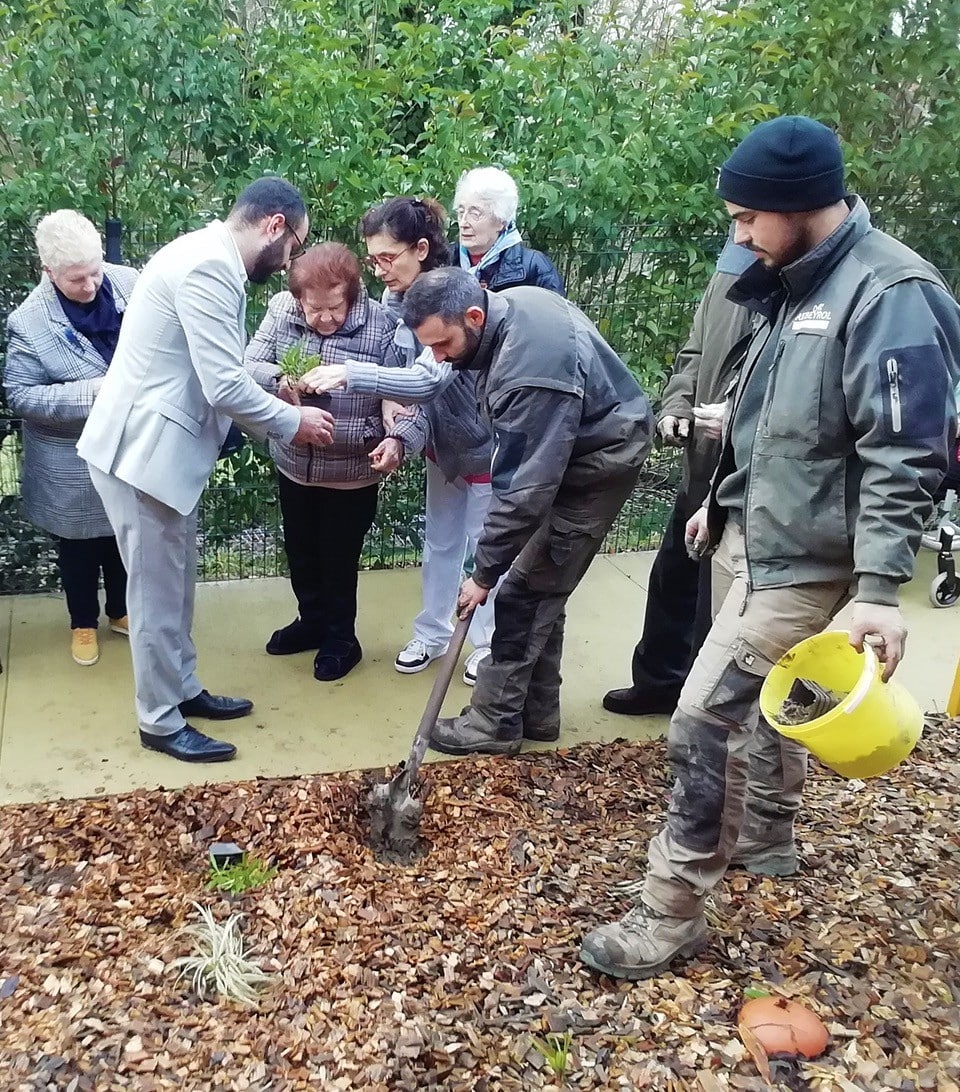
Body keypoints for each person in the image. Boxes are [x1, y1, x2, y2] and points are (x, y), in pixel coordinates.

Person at [579, 116, 960, 981]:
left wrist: (877, 587)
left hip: (816, 562)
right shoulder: (792, 282)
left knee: (703, 717)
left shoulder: (888, 292)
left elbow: (907, 452)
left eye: (749, 216)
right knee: (765, 703)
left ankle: (671, 910)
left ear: (799, 204)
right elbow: (763, 414)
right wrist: (719, 501)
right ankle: (766, 836)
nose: (739, 233)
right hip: (764, 534)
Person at [77, 178, 335, 763]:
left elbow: (220, 366)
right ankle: (159, 721)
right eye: (294, 243)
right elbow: (222, 386)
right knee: (154, 595)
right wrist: (294, 424)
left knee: (176, 585)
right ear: (274, 225)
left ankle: (183, 689)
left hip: (161, 453)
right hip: (141, 456)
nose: (291, 257)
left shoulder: (206, 253)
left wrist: (275, 388)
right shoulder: (209, 268)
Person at [396, 267, 654, 755]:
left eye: (443, 343)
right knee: (542, 588)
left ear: (474, 314)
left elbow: (523, 491)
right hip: (578, 447)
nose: (437, 358)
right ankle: (537, 713)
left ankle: (493, 724)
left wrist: (482, 574)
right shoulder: (509, 307)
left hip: (597, 466)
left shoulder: (529, 368)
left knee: (520, 595)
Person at [300, 195, 497, 685]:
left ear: (422, 249)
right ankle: (431, 634)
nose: (380, 269)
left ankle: (486, 643)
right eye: (374, 258)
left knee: (487, 547)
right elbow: (400, 385)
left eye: (389, 257)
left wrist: (349, 373)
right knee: (440, 543)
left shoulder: (451, 296)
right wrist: (398, 432)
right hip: (441, 443)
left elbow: (428, 381)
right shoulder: (395, 301)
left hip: (488, 445)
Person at [244, 242, 426, 681]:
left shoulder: (382, 326)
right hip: (294, 461)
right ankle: (312, 622)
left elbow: (406, 398)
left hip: (351, 470)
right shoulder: (281, 310)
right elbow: (248, 364)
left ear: (351, 294)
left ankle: (342, 639)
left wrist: (397, 441)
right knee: (301, 552)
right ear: (297, 299)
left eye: (333, 308)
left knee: (338, 558)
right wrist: (282, 379)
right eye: (314, 309)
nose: (324, 318)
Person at [602, 235, 754, 715]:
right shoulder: (731, 268)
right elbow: (695, 353)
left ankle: (700, 705)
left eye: (749, 217)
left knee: (720, 601)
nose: (741, 233)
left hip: (749, 479)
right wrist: (678, 404)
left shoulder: (803, 290)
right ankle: (659, 683)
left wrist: (741, 417)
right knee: (674, 579)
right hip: (702, 463)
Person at [4, 210, 138, 667]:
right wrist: (93, 393)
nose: (91, 285)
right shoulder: (29, 322)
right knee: (78, 544)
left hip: (128, 447)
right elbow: (20, 395)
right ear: (49, 272)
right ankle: (83, 622)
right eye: (77, 279)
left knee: (124, 534)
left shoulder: (131, 283)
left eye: (95, 271)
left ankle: (121, 612)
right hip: (70, 457)